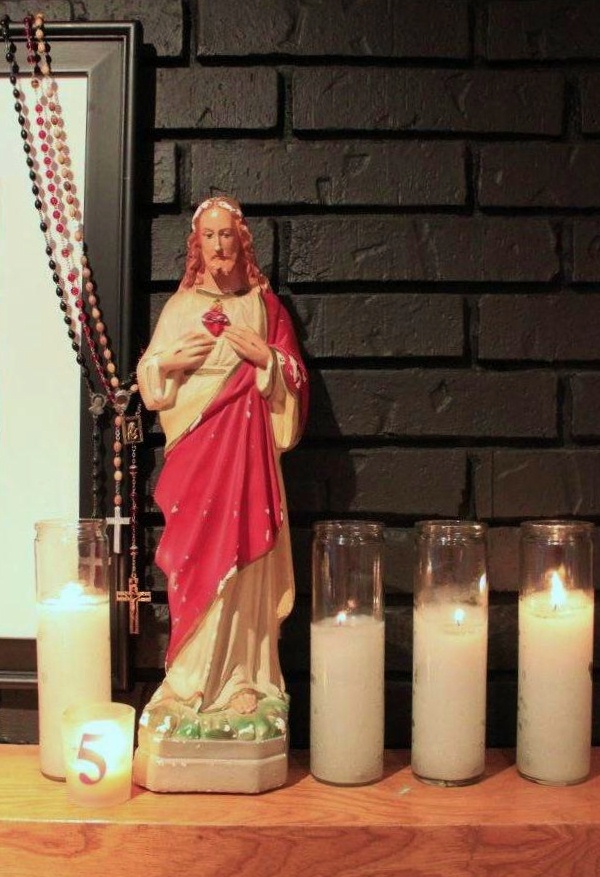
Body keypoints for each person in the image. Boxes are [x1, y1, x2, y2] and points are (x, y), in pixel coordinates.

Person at [136, 196, 308, 739]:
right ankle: (188, 682)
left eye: (226, 236)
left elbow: (294, 376)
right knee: (195, 563)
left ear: (242, 241)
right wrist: (166, 363)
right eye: (208, 236)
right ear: (197, 245)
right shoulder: (181, 307)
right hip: (197, 459)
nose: (218, 246)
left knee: (246, 565)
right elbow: (150, 372)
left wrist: (267, 359)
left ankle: (245, 678)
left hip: (247, 459)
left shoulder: (265, 305)